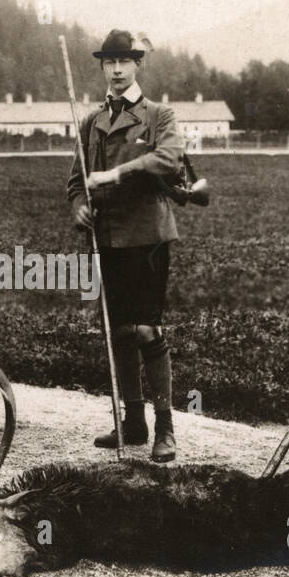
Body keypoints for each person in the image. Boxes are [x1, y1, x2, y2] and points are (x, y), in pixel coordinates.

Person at [67, 29, 186, 462]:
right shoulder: (90, 122)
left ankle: (165, 427)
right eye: (109, 62)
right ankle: (132, 423)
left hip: (149, 238)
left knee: (146, 330)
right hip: (109, 239)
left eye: (124, 62)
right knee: (118, 332)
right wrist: (80, 205)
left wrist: (116, 174)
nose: (116, 70)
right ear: (102, 66)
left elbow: (168, 159)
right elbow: (74, 181)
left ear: (137, 65)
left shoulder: (159, 115)